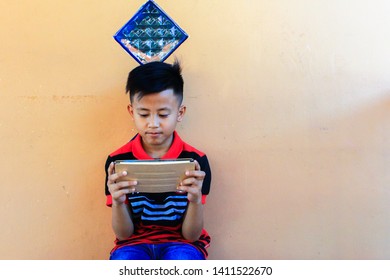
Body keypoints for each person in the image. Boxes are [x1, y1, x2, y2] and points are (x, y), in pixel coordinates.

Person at [104, 61, 212, 260]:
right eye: (143, 114)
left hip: (182, 243)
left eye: (163, 114)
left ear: (180, 113)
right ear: (131, 112)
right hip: (134, 244)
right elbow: (123, 234)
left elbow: (192, 235)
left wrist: (195, 200)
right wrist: (118, 202)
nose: (153, 124)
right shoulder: (117, 161)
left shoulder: (196, 161)